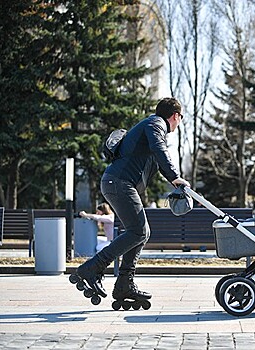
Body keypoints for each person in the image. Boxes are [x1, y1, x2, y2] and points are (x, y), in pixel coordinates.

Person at [74, 97, 190, 307]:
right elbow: (159, 149)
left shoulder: (152, 127)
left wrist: (174, 180)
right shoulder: (156, 124)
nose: (179, 122)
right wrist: (175, 176)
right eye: (180, 118)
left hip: (116, 183)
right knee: (139, 231)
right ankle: (92, 268)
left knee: (139, 232)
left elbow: (158, 159)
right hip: (119, 183)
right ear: (175, 116)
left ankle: (124, 284)